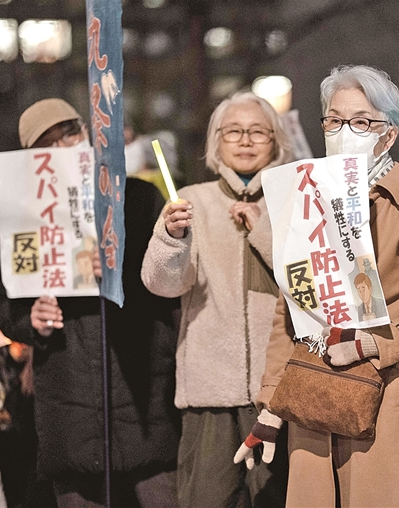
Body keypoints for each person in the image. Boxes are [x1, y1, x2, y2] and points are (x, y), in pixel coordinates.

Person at [234, 65, 399, 507]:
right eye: (334, 120)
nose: (344, 132)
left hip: (387, 391)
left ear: (389, 134)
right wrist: (272, 405)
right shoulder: (308, 197)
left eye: (361, 122)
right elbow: (292, 308)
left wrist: (376, 343)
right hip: (315, 391)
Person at [0, 98, 180, 507]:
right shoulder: (22, 218)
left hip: (143, 392)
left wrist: (119, 269)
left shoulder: (138, 196)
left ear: (86, 134)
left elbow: (169, 284)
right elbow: (4, 306)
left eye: (69, 135)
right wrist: (31, 320)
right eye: (46, 144)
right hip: (69, 402)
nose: (62, 148)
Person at [141, 91, 293, 507]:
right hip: (207, 392)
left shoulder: (294, 199)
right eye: (233, 131)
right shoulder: (191, 199)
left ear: (276, 140)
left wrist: (263, 230)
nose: (245, 140)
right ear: (216, 141)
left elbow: (310, 284)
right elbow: (161, 284)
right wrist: (171, 237)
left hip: (279, 393)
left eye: (258, 131)